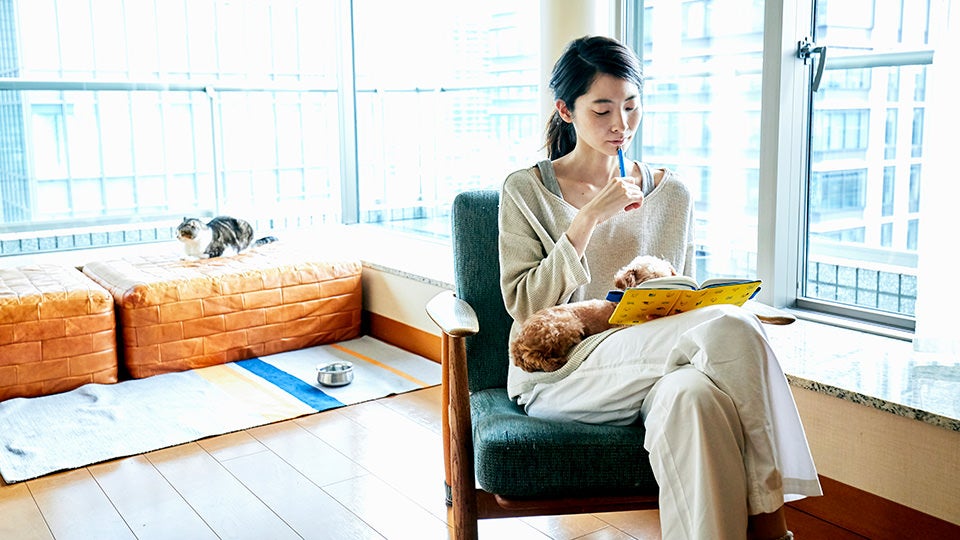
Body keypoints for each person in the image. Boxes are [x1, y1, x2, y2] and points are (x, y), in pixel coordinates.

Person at [498, 35, 822, 540]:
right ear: (565, 110)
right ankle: (771, 524)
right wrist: (587, 220)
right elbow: (524, 305)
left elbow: (681, 304)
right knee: (729, 324)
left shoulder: (672, 193)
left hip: (655, 368)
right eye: (602, 109)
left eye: (631, 106)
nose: (621, 124)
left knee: (695, 398)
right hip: (563, 376)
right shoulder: (526, 190)